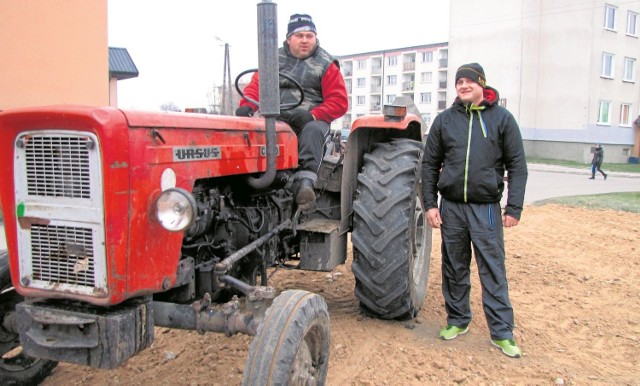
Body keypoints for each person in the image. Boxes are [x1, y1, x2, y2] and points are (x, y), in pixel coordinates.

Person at [421, 63, 528, 358]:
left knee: (492, 269)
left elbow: (517, 166)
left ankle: (502, 333)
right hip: (451, 207)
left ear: (482, 83)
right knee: (454, 267)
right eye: (459, 82)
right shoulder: (445, 121)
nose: (463, 86)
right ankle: (457, 320)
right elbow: (429, 165)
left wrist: (514, 207)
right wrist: (430, 203)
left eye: (469, 81)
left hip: (487, 209)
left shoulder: (502, 119)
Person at [236, 14, 348, 210]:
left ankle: (305, 184)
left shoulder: (326, 64)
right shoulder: (272, 60)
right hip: (277, 119)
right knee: (250, 132)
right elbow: (256, 86)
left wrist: (313, 114)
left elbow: (339, 101)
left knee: (313, 131)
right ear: (289, 39)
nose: (305, 40)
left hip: (310, 120)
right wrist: (248, 105)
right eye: (299, 35)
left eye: (309, 35)